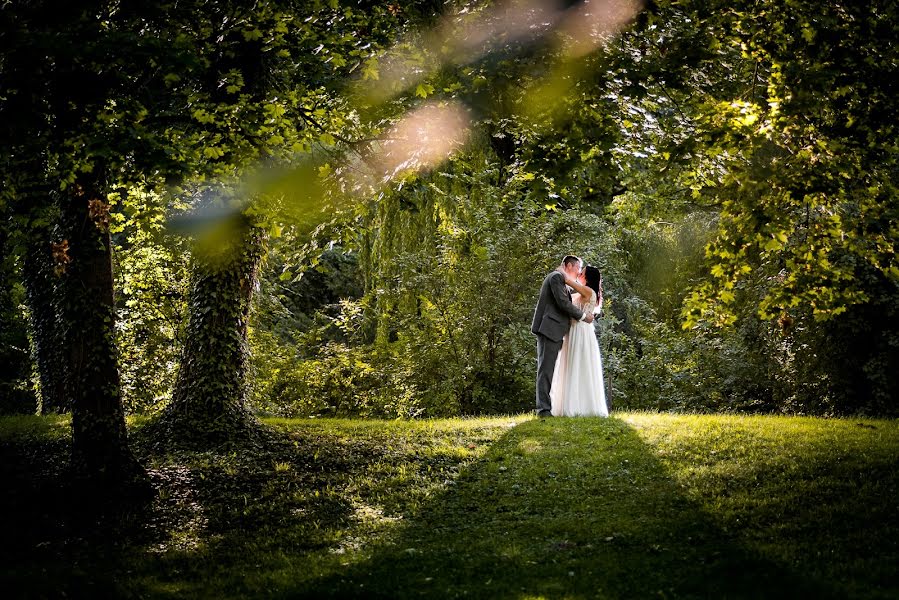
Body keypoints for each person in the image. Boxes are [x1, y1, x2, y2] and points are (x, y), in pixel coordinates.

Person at [531, 256, 594, 417]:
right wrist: (583, 316)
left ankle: (545, 408)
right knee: (546, 370)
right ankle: (543, 410)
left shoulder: (561, 280)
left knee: (549, 370)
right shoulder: (556, 277)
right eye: (577, 268)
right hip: (549, 329)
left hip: (554, 330)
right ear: (569, 265)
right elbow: (562, 303)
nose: (579, 272)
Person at [550, 264, 608, 416]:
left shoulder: (588, 291)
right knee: (574, 364)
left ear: (587, 277)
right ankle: (574, 404)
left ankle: (578, 407)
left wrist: (561, 271)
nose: (579, 274)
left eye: (581, 272)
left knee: (577, 364)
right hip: (576, 330)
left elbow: (569, 282)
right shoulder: (586, 292)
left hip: (580, 331)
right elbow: (568, 299)